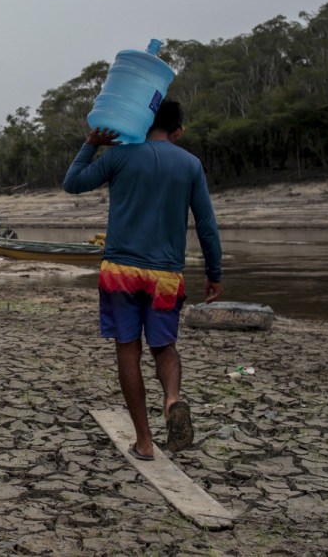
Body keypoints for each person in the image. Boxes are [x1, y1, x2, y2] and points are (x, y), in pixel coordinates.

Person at [62, 99, 223, 461]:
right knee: (164, 346)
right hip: (166, 275)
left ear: (141, 120)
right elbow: (207, 226)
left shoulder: (120, 155)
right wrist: (215, 273)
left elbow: (72, 183)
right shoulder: (190, 164)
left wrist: (92, 144)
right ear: (178, 131)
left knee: (128, 349)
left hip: (121, 271)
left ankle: (145, 442)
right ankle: (172, 400)